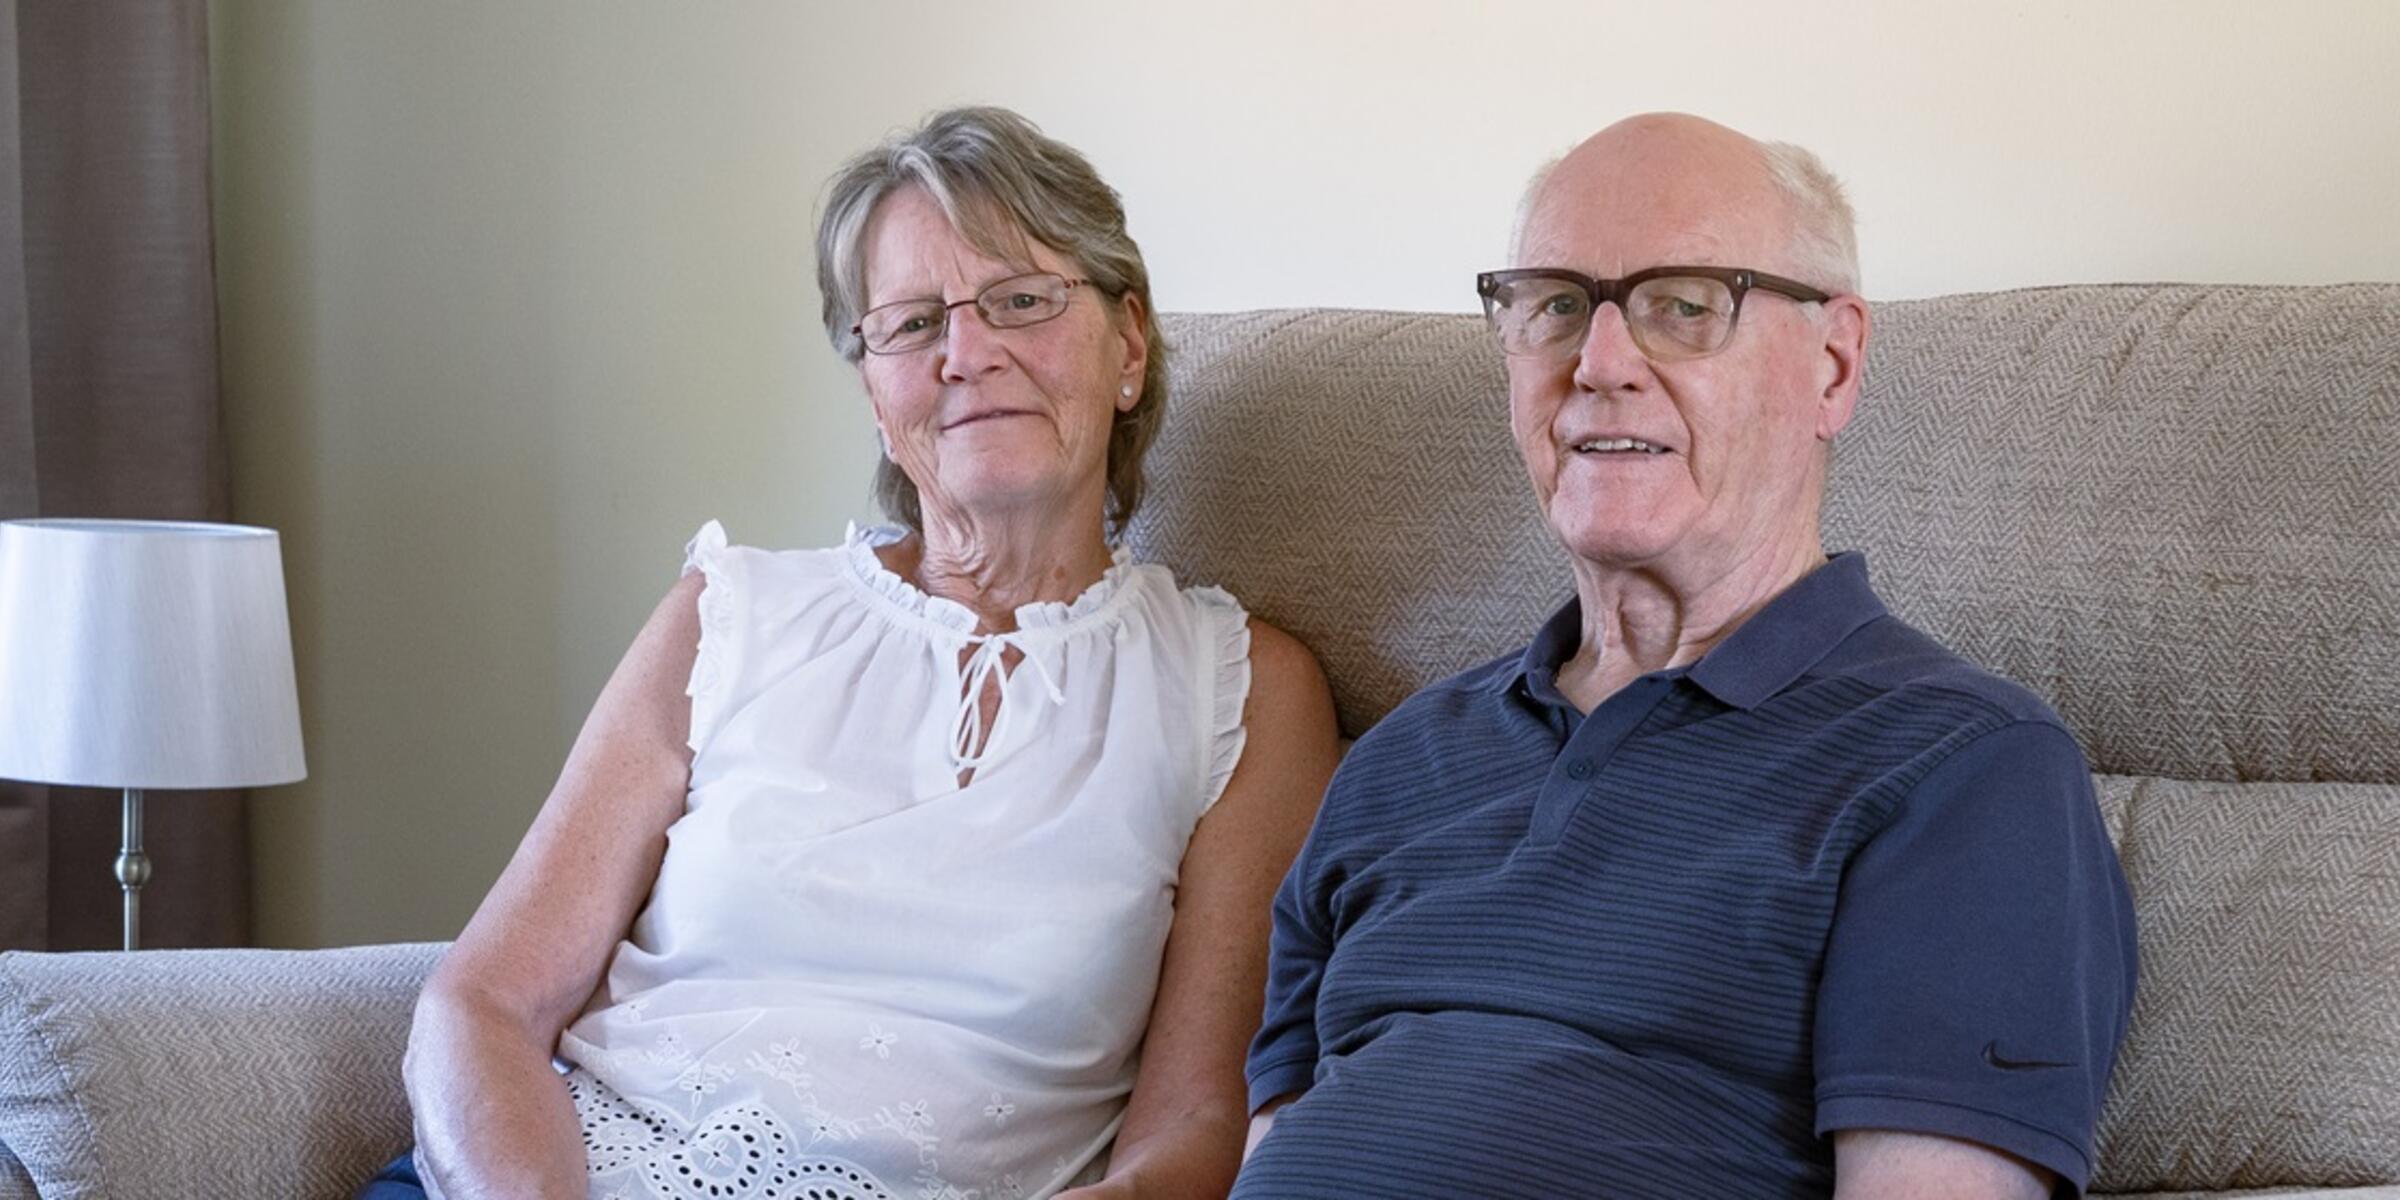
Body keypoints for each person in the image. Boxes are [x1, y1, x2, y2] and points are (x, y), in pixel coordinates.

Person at [384, 106, 1341, 1200]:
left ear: (1129, 346)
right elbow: (483, 1004)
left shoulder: (1242, 690)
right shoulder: (730, 614)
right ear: (876, 396)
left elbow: (1197, 1129)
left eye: (1022, 301)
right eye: (914, 322)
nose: (967, 354)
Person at [1234, 113, 2137, 1199]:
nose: (1599, 364)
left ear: (1834, 365)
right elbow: (1274, 1154)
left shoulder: (1963, 768)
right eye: (1557, 306)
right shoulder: (1397, 758)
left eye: (1684, 306)